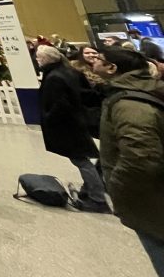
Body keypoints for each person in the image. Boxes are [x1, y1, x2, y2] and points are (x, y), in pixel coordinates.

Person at [91, 47, 164, 273]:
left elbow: (140, 155)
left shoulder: (128, 103)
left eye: (98, 59)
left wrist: (116, 186)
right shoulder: (143, 90)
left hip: (149, 196)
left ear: (112, 68)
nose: (93, 62)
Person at [34, 45, 107, 211]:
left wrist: (48, 118)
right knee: (83, 159)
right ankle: (90, 190)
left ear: (45, 59)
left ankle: (97, 198)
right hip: (77, 121)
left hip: (67, 125)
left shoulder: (54, 77)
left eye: (39, 58)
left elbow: (59, 104)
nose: (37, 60)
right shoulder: (70, 71)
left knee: (81, 160)